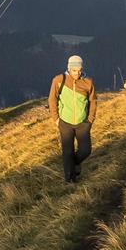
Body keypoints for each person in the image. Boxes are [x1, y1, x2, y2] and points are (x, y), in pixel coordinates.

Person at [48, 53, 97, 184]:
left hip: (83, 123)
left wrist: (90, 120)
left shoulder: (88, 82)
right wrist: (56, 119)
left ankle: (75, 163)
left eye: (79, 70)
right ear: (69, 68)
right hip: (65, 122)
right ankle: (70, 180)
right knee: (67, 152)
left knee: (86, 150)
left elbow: (93, 101)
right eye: (74, 70)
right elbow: (52, 99)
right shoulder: (59, 80)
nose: (77, 73)